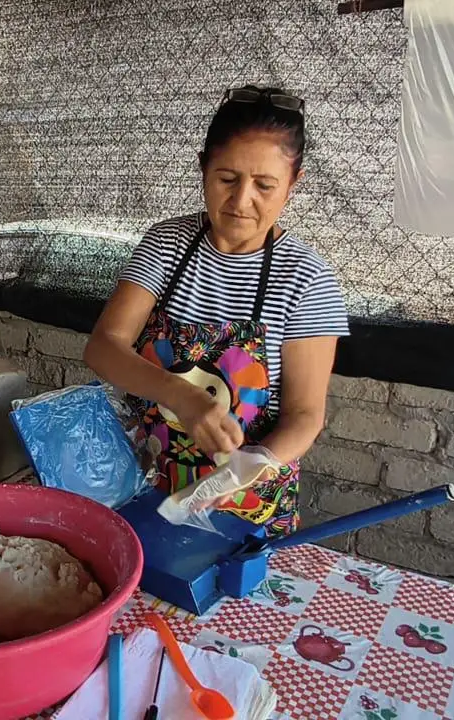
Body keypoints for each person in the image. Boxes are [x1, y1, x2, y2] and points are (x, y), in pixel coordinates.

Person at [84, 85, 349, 538]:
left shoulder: (307, 279)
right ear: (203, 168)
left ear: (293, 183)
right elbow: (103, 348)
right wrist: (184, 397)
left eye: (264, 185)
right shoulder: (167, 244)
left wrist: (251, 465)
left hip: (244, 505)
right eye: (227, 179)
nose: (241, 201)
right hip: (144, 485)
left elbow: (305, 415)